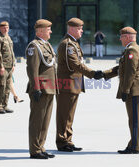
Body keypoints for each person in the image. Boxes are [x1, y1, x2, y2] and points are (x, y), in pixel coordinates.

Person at [56, 18, 103, 152]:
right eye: (79, 28)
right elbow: (75, 64)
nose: (82, 31)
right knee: (63, 115)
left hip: (73, 84)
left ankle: (68, 140)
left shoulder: (73, 43)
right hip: (66, 85)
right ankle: (61, 141)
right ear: (71, 29)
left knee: (69, 115)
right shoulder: (67, 44)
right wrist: (92, 73)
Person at [103, 27, 139, 154]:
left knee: (134, 120)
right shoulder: (133, 48)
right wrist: (104, 74)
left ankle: (134, 147)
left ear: (128, 37)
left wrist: (125, 90)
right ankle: (138, 145)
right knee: (137, 119)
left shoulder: (132, 50)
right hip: (137, 90)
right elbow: (122, 68)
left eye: (122, 36)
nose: (120, 39)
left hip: (135, 90)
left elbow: (130, 73)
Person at [26, 19, 57, 159]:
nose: (50, 31)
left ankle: (41, 146)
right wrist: (36, 88)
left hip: (50, 88)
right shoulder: (34, 46)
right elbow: (32, 70)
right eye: (48, 29)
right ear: (40, 30)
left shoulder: (46, 45)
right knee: (37, 120)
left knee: (45, 120)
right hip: (40, 89)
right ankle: (34, 150)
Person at [0, 21, 15, 114]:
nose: (5, 29)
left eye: (7, 27)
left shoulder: (8, 38)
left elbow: (11, 52)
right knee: (1, 86)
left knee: (7, 87)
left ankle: (5, 105)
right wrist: (1, 66)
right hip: (3, 67)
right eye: (3, 27)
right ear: (0, 28)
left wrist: (13, 64)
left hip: (10, 66)